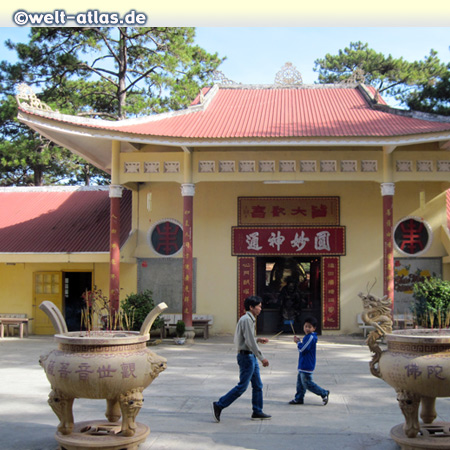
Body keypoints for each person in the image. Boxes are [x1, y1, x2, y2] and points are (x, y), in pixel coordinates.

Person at [212, 296, 271, 422]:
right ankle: (220, 404)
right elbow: (249, 341)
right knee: (242, 386)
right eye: (259, 306)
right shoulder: (247, 320)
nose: (260, 309)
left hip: (250, 356)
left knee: (258, 385)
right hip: (246, 357)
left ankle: (257, 411)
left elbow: (247, 339)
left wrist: (258, 340)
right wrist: (262, 358)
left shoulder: (249, 319)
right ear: (251, 307)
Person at [289, 316, 329, 405]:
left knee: (307, 383)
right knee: (300, 383)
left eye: (309, 327)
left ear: (314, 328)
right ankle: (299, 398)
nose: (307, 328)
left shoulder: (310, 337)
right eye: (306, 326)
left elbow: (303, 349)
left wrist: (298, 343)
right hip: (303, 364)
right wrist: (300, 342)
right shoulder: (307, 337)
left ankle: (324, 393)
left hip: (307, 364)